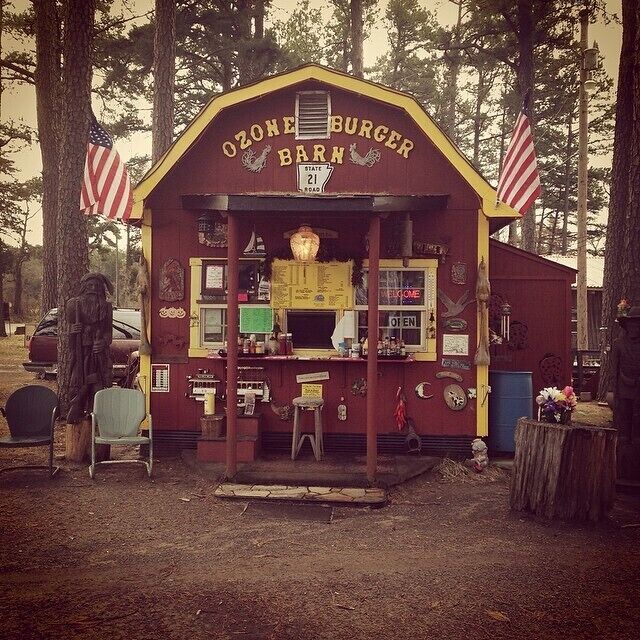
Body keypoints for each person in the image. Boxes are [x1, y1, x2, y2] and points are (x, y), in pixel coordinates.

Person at [66, 273, 114, 424]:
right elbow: (68, 332)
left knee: (97, 386)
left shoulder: (107, 307)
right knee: (76, 383)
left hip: (98, 355)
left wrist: (104, 342)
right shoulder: (73, 305)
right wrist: (73, 330)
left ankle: (96, 418)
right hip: (80, 353)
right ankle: (77, 411)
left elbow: (108, 333)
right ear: (84, 287)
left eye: (97, 286)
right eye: (90, 285)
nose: (93, 289)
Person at [610, 305, 640, 478]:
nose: (634, 328)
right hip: (624, 391)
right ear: (627, 326)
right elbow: (614, 371)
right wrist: (614, 392)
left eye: (638, 325)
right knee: (624, 422)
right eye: (632, 324)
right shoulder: (618, 344)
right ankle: (622, 458)